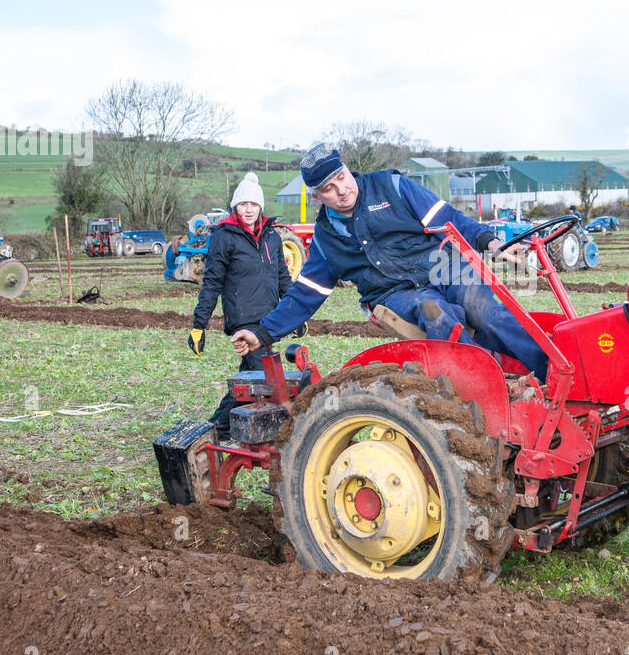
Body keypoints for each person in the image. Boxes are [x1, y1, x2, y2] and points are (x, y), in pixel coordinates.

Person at [231, 145, 549, 380]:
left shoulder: (391, 186)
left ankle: (554, 372)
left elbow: (448, 219)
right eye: (328, 188)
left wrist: (491, 243)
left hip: (444, 266)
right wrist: (262, 333)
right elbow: (306, 293)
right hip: (394, 292)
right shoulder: (327, 239)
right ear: (317, 197)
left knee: (487, 313)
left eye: (341, 177)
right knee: (440, 318)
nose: (342, 190)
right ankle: (488, 386)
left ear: (347, 169)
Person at [187, 172, 292, 441]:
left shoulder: (273, 238)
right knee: (257, 376)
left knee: (252, 375)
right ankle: (219, 428)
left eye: (253, 204)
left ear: (260, 207)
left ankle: (226, 428)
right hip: (244, 320)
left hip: (270, 321)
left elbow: (283, 277)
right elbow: (211, 282)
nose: (248, 209)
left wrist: (293, 314)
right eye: (243, 204)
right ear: (235, 206)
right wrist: (199, 326)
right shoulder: (225, 237)